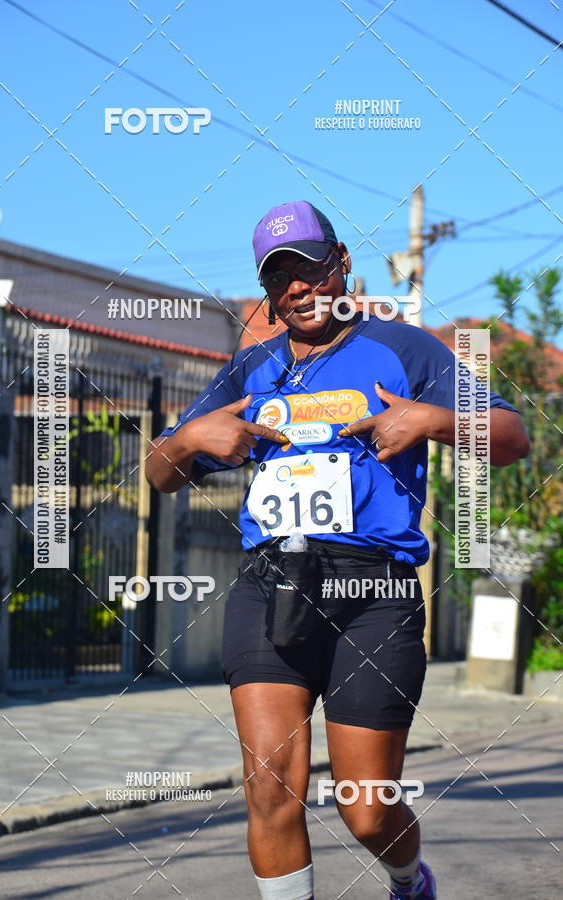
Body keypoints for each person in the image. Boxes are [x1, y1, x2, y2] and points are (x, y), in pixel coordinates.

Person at [146, 200, 530, 900]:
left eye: (311, 267)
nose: (300, 287)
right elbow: (160, 474)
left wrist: (432, 420)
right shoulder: (250, 370)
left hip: (373, 597)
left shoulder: (402, 348)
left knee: (366, 805)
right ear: (268, 289)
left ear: (342, 262)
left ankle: (409, 881)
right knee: (269, 790)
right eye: (281, 275)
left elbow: (512, 438)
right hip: (270, 588)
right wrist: (186, 442)